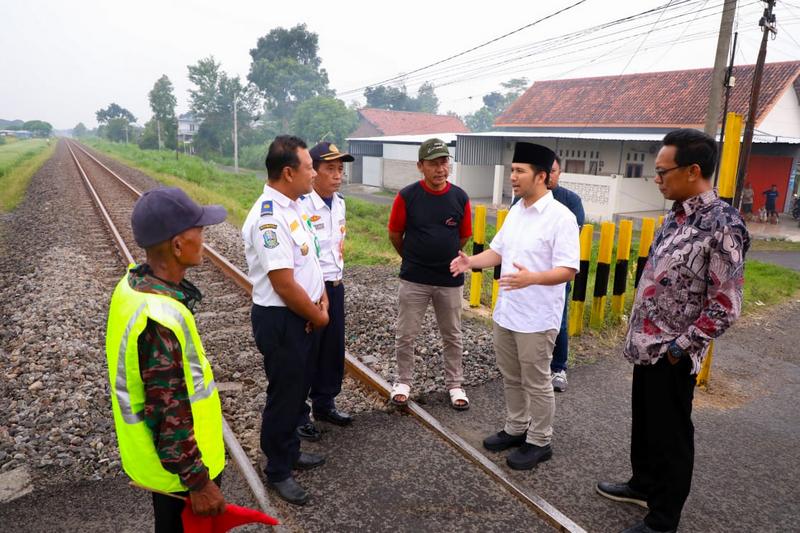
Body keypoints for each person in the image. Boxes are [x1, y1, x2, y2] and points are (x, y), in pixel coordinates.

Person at [596, 129, 749, 533]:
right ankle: (643, 484)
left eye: (663, 171)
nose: (656, 178)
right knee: (645, 423)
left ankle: (663, 519)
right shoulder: (678, 214)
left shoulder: (723, 224)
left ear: (693, 170)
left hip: (672, 351)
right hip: (646, 346)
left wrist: (679, 349)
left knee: (672, 435)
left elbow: (726, 304)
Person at [450, 142, 579, 471]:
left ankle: (539, 440)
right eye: (512, 170)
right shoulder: (516, 212)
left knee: (536, 380)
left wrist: (533, 278)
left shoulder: (560, 217)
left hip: (537, 317)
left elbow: (568, 269)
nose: (513, 177)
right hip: (508, 312)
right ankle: (516, 427)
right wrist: (471, 262)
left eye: (519, 171)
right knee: (511, 376)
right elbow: (499, 252)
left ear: (541, 177)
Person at [105, 187, 228, 532]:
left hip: (162, 470)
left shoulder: (133, 286)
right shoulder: (158, 319)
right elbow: (167, 411)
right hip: (180, 478)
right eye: (199, 230)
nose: (204, 238)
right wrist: (200, 483)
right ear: (177, 245)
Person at [242, 135, 329, 506]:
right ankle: (277, 469)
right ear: (288, 171)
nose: (315, 173)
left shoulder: (293, 205)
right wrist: (319, 316)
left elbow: (307, 260)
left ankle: (291, 451)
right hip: (282, 319)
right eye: (310, 167)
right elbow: (282, 284)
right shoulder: (269, 217)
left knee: (298, 393)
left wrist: (321, 294)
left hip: (302, 314)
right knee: (284, 396)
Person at [387, 138, 473, 410]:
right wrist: (414, 257)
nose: (440, 168)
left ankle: (455, 385)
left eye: (444, 162)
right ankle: (403, 382)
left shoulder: (460, 197)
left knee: (453, 334)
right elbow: (395, 234)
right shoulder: (407, 196)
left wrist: (443, 257)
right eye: (433, 163)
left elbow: (464, 236)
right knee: (406, 333)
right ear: (420, 166)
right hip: (414, 278)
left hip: (449, 280)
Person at [295, 142, 354, 442]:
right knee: (307, 353)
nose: (337, 175)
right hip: (311, 292)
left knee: (332, 350)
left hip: (336, 285)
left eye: (340, 169)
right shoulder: (301, 206)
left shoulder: (340, 203)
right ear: (313, 171)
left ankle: (324, 403)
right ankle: (299, 414)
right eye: (330, 168)